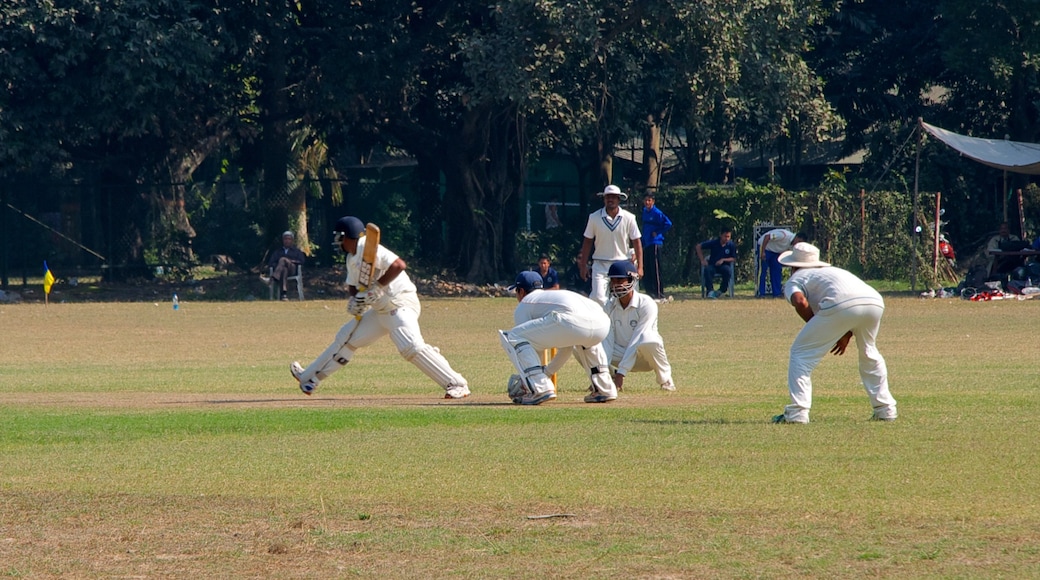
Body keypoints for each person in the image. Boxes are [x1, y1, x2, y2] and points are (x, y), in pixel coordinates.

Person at [290, 216, 470, 399]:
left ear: (348, 237)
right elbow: (353, 285)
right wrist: (356, 301)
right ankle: (310, 378)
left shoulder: (369, 247)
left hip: (400, 303)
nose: (338, 242)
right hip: (380, 311)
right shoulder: (351, 258)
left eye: (340, 237)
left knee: (409, 345)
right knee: (347, 338)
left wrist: (378, 286)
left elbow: (399, 265)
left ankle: (456, 384)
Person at [772, 242, 897, 424]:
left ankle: (798, 412)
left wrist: (826, 328)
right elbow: (854, 301)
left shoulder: (796, 279)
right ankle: (886, 409)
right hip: (874, 301)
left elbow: (800, 302)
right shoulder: (834, 272)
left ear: (792, 266)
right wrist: (843, 332)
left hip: (841, 305)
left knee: (800, 354)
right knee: (869, 352)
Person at [500, 270, 617, 405]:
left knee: (513, 336)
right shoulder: (552, 297)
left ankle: (540, 388)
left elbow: (529, 347)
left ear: (520, 291)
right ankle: (605, 388)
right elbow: (566, 347)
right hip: (602, 322)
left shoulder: (525, 304)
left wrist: (530, 379)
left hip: (571, 321)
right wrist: (548, 372)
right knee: (586, 340)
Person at [602, 261, 674, 392]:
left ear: (632, 280)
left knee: (648, 339)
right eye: (613, 280)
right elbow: (607, 339)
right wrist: (602, 371)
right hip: (619, 355)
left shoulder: (646, 303)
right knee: (584, 341)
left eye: (620, 280)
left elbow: (638, 337)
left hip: (645, 357)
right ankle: (605, 377)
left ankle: (665, 380)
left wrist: (621, 373)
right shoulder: (609, 306)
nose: (615, 284)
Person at [578, 184, 643, 305]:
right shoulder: (594, 217)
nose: (610, 199)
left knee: (625, 297)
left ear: (619, 199)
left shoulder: (629, 218)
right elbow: (587, 241)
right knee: (598, 298)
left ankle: (621, 322)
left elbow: (637, 242)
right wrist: (583, 265)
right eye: (608, 197)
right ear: (604, 199)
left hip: (623, 264)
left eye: (613, 197)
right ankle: (603, 323)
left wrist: (640, 267)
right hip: (600, 263)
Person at [640, 192, 673, 301]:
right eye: (646, 200)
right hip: (647, 243)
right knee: (647, 268)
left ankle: (660, 294)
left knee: (656, 269)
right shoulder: (645, 212)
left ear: (653, 202)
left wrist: (657, 232)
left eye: (649, 200)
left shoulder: (657, 212)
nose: (647, 202)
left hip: (655, 243)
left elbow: (668, 223)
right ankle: (650, 293)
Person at [757, 229, 807, 298]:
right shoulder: (784, 235)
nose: (798, 244)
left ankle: (777, 293)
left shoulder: (794, 246)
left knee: (777, 271)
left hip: (776, 252)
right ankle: (761, 293)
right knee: (763, 270)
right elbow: (767, 237)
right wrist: (762, 252)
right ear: (796, 237)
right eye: (799, 241)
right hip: (766, 248)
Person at [696, 226, 737, 297]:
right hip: (713, 265)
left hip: (724, 265)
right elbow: (698, 246)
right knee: (707, 270)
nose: (727, 239)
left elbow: (733, 258)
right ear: (721, 235)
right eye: (725, 236)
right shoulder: (714, 242)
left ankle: (721, 290)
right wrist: (702, 260)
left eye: (728, 237)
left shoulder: (731, 245)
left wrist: (723, 260)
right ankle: (710, 291)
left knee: (728, 271)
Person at [265, 230, 306, 300]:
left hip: (292, 269)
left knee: (283, 259)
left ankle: (272, 279)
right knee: (284, 269)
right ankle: (284, 295)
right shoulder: (277, 251)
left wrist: (290, 261)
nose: (287, 241)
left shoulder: (297, 251)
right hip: (281, 271)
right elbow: (271, 263)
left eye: (289, 239)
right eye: (285, 239)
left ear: (292, 240)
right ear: (283, 240)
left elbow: (302, 261)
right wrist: (279, 266)